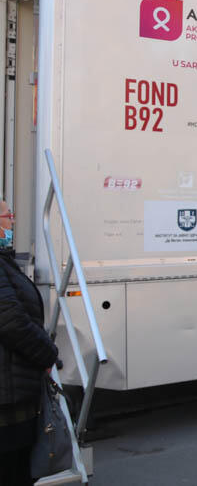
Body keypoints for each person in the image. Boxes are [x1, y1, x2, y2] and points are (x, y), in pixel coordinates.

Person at [0, 201, 59, 485]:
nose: (12, 221)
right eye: (7, 215)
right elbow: (12, 321)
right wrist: (48, 354)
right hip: (8, 404)